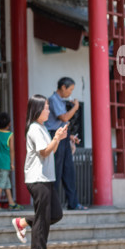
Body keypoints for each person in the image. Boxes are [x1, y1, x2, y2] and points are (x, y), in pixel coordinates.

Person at [12, 94, 68, 249]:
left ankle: (22, 222)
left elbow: (50, 150)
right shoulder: (34, 129)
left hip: (46, 177)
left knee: (55, 214)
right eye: (45, 107)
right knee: (43, 216)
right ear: (37, 109)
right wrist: (56, 138)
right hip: (37, 178)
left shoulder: (42, 128)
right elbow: (43, 152)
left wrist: (58, 138)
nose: (48, 110)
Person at [46, 77, 85, 210]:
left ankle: (73, 203)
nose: (70, 92)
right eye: (70, 89)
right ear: (63, 87)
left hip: (63, 136)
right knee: (56, 171)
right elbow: (63, 117)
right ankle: (53, 205)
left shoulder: (61, 101)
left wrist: (70, 136)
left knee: (69, 171)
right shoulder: (53, 99)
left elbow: (62, 122)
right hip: (54, 137)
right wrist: (75, 107)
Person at [0, 112, 21, 210]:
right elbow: (11, 150)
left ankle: (11, 202)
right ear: (9, 124)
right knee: (1, 182)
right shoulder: (10, 135)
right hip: (5, 162)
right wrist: (12, 163)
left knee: (6, 182)